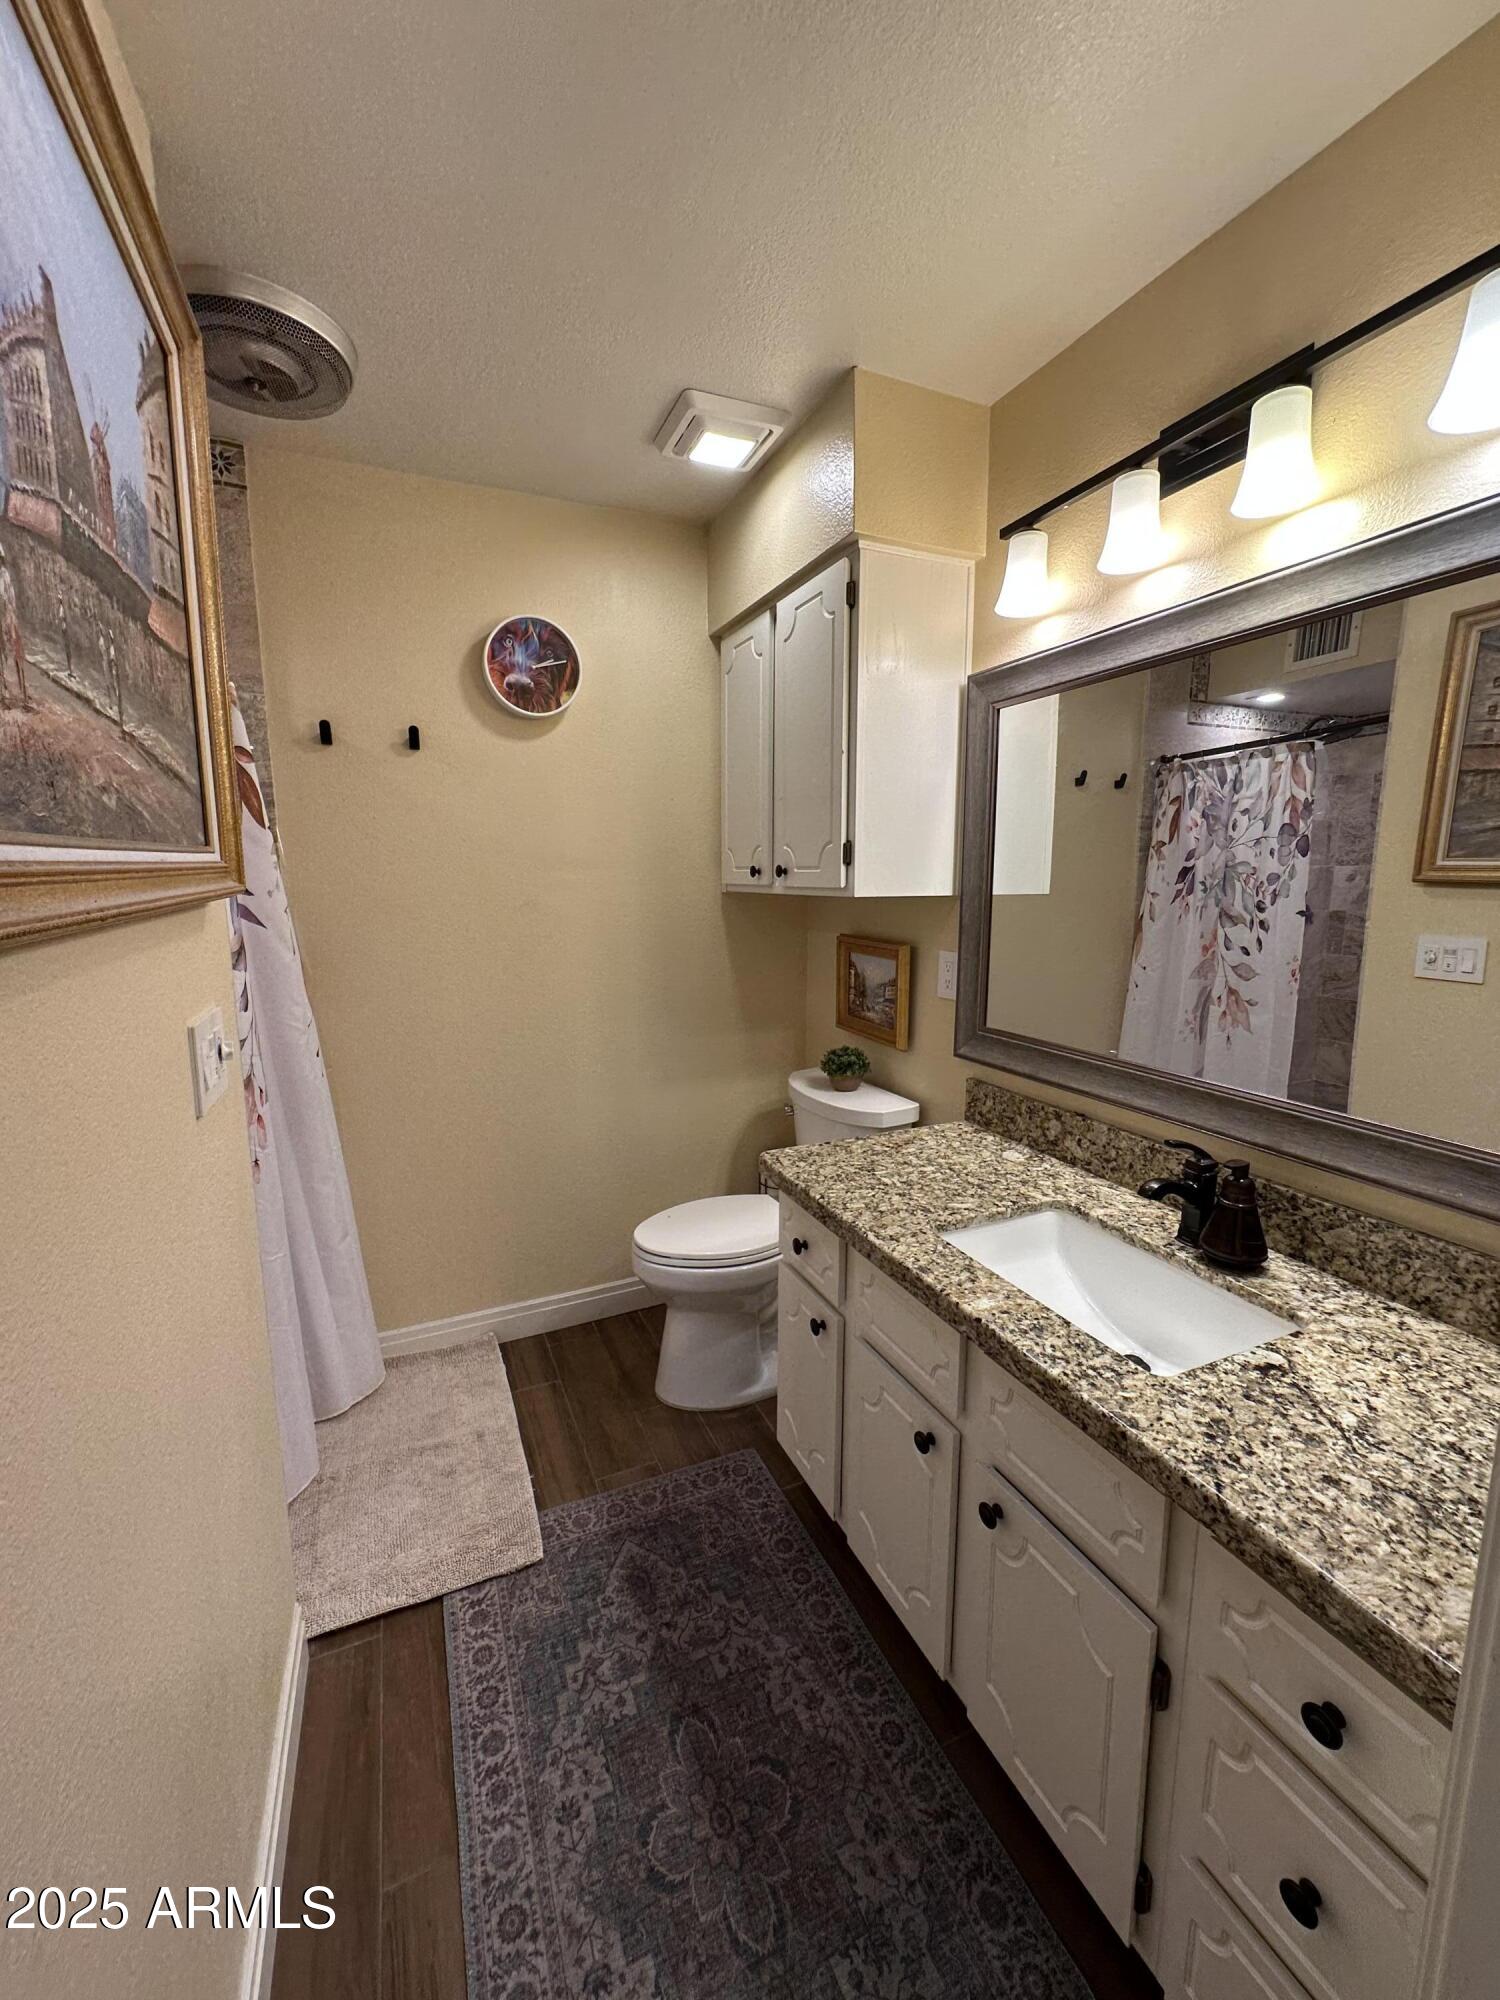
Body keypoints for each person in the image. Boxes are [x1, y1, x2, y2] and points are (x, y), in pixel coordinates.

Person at [0, 545, 28, 707]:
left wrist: (11, 615)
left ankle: (20, 692)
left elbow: (10, 597)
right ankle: (5, 692)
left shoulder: (5, 575)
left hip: (7, 616)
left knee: (15, 651)